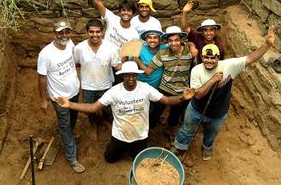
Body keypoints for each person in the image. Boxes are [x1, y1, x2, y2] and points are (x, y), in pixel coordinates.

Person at [57, 61, 196, 163]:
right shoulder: (114, 91)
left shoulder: (145, 88)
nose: (130, 78)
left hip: (141, 135)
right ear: (122, 76)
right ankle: (123, 148)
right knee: (109, 159)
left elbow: (166, 100)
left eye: (133, 75)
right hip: (120, 135)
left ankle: (131, 150)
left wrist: (182, 98)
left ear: (137, 75)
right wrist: (69, 104)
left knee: (138, 159)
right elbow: (93, 107)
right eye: (127, 75)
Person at [173, 26, 276, 161]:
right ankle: (180, 146)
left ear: (218, 57)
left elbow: (251, 58)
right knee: (187, 129)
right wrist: (212, 80)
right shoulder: (196, 70)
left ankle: (206, 147)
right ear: (201, 57)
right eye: (206, 58)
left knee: (211, 133)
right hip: (196, 109)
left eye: (212, 58)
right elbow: (197, 95)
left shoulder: (229, 65)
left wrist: (267, 44)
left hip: (218, 112)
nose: (209, 61)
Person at [37, 20, 85, 173]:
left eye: (66, 32)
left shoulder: (70, 44)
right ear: (54, 34)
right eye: (60, 32)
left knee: (72, 119)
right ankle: (72, 158)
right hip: (59, 97)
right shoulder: (45, 54)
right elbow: (42, 78)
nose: (64, 35)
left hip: (74, 91)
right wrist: (43, 100)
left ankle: (68, 136)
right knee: (64, 125)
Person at [134, 26, 193, 138]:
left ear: (181, 40)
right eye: (170, 40)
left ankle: (169, 129)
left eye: (176, 40)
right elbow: (147, 71)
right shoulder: (162, 53)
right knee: (156, 111)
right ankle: (147, 131)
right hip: (165, 88)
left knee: (175, 113)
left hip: (182, 90)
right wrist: (137, 60)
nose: (173, 43)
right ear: (167, 41)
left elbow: (191, 44)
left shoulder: (189, 52)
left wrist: (193, 46)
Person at [74, 19, 122, 140]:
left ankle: (106, 121)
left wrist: (131, 69)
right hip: (87, 85)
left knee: (107, 108)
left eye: (97, 32)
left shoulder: (111, 48)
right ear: (86, 32)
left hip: (106, 85)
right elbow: (76, 64)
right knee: (89, 110)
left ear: (102, 32)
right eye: (91, 32)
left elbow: (117, 66)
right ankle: (93, 126)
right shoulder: (79, 48)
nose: (94, 35)